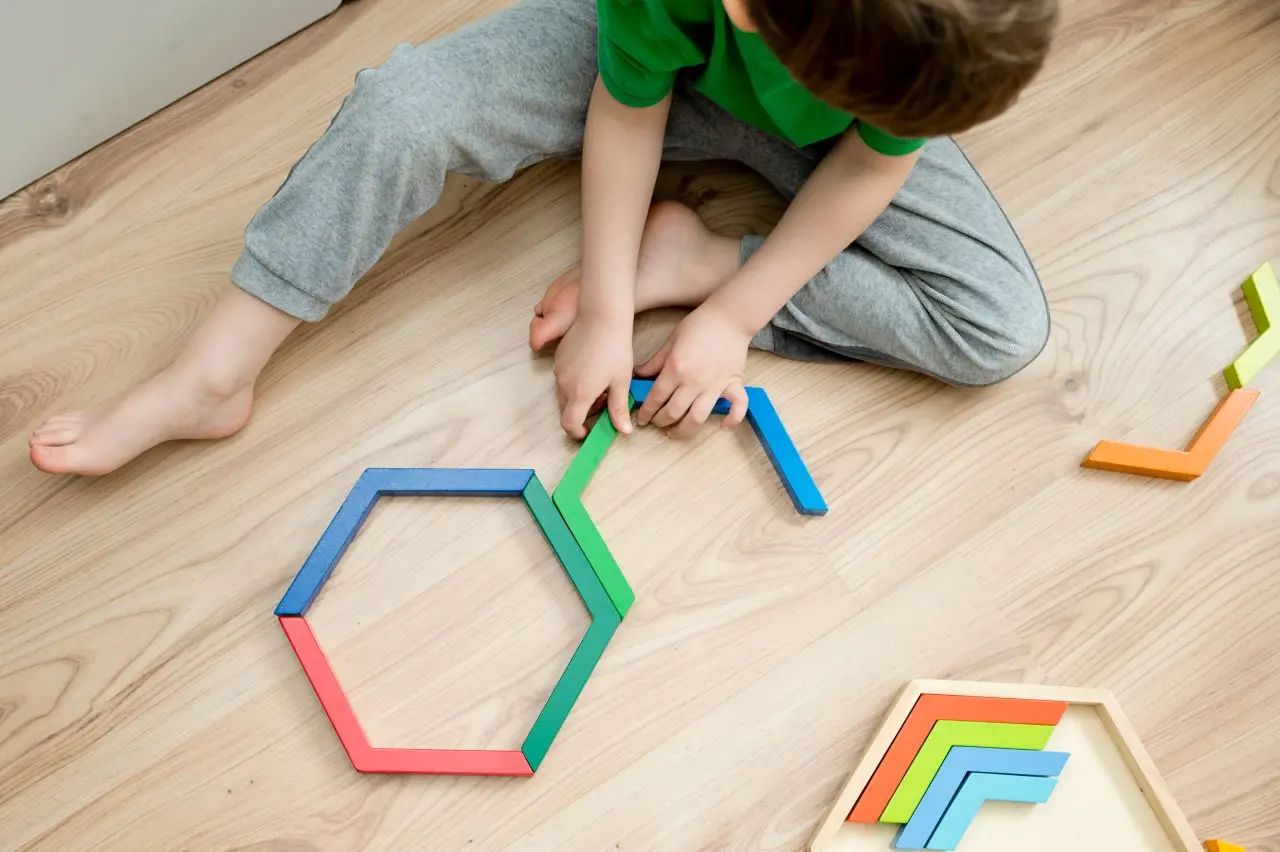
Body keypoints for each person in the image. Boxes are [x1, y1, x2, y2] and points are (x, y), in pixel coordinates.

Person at [29, 0, 1057, 476]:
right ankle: (212, 375)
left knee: (1000, 329)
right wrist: (604, 309)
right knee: (404, 110)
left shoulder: (906, 57)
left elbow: (871, 164)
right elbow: (626, 111)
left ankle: (692, 255)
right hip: (644, 66)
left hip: (833, 110)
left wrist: (732, 310)